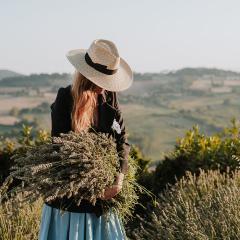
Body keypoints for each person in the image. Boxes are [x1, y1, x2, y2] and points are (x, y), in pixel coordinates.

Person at [38, 39, 133, 240]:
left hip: (104, 201)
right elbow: (60, 148)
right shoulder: (65, 99)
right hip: (70, 201)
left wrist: (119, 179)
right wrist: (90, 187)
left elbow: (122, 139)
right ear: (87, 77)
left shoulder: (110, 98)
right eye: (101, 81)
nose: (104, 88)